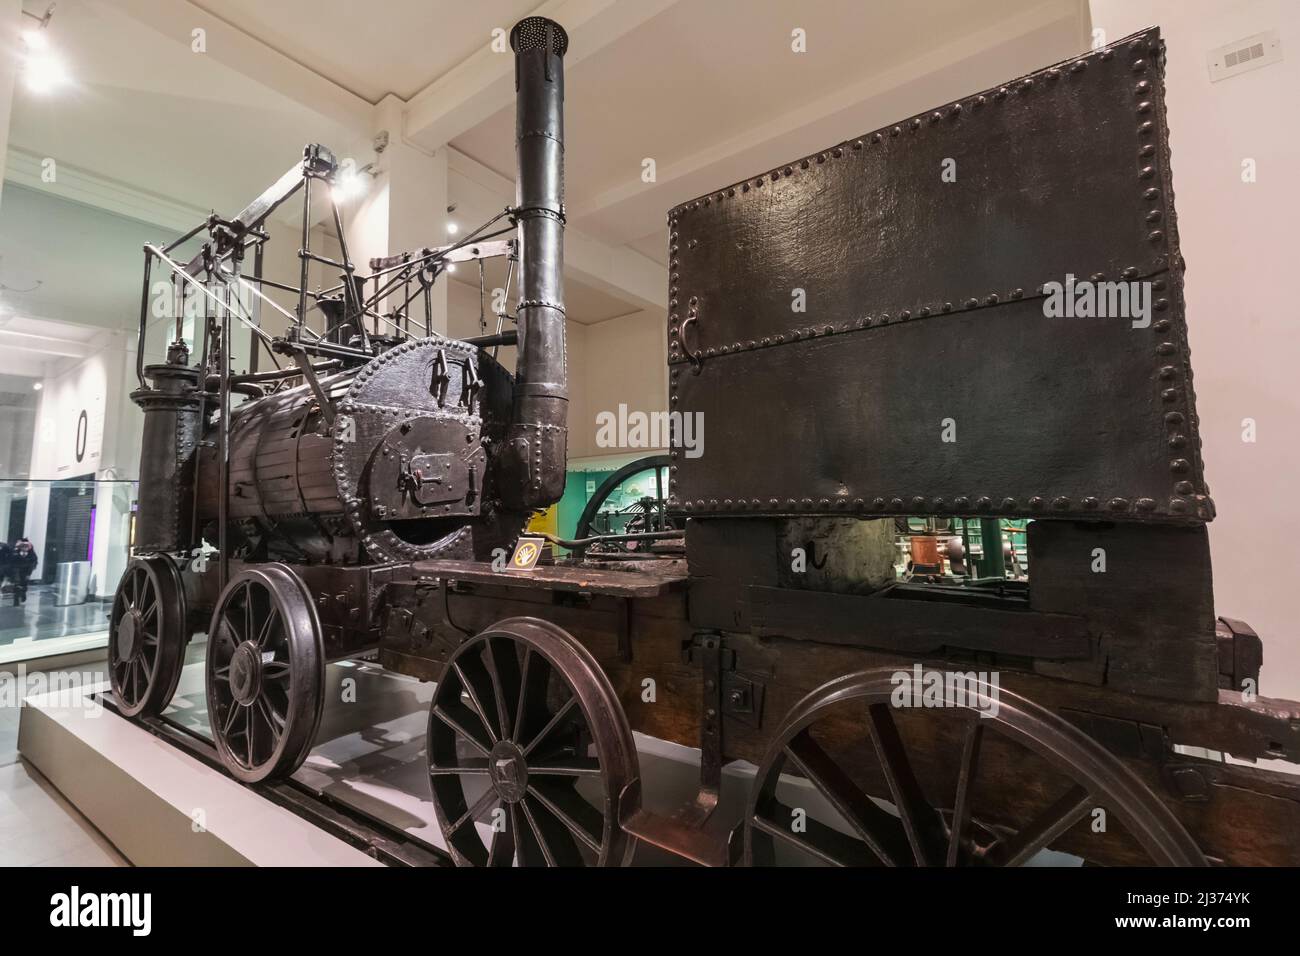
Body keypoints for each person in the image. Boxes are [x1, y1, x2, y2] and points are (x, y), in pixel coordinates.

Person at [9, 538, 37, 606]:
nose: (24, 548)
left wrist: (29, 572)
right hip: (17, 570)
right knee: (17, 584)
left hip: (26, 571)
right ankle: (16, 600)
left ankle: (23, 593)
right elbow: (11, 561)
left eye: (26, 546)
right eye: (23, 546)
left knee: (24, 584)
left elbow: (33, 563)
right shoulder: (16, 553)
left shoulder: (31, 554)